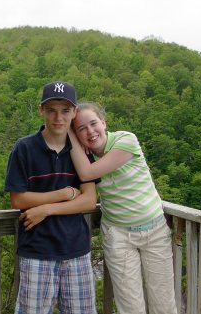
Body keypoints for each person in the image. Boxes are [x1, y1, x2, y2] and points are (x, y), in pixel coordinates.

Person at [69, 102, 177, 314]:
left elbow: (87, 174)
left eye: (93, 123)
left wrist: (71, 137)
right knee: (130, 307)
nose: (90, 131)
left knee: (163, 304)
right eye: (81, 129)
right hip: (118, 236)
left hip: (155, 231)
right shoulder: (84, 157)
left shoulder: (126, 140)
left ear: (104, 123)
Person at [4, 81, 99, 314]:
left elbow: (88, 201)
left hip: (77, 250)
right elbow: (18, 200)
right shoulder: (24, 148)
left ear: (74, 112)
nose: (58, 117)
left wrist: (46, 209)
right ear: (41, 110)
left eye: (65, 110)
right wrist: (64, 194)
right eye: (51, 110)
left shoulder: (80, 151)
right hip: (37, 250)